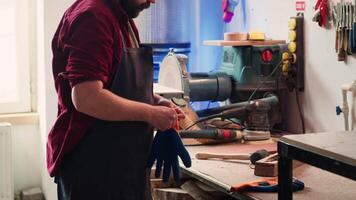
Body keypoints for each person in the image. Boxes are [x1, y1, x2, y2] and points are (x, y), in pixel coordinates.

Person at [47, 0, 185, 199]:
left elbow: (114, 84)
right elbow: (86, 97)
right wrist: (150, 113)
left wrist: (154, 101)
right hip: (93, 167)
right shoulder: (93, 17)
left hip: (124, 163)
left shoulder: (123, 18)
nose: (152, 1)